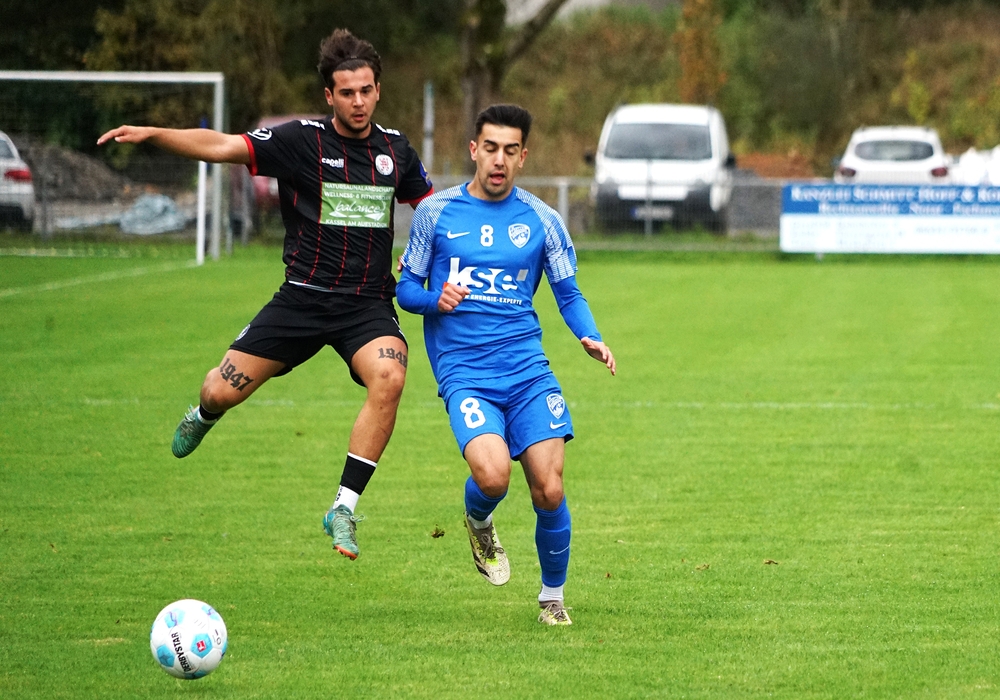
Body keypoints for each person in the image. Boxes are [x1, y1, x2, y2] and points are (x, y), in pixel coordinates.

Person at [97, 28, 433, 560]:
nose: (358, 101)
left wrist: (424, 258)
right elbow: (223, 146)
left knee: (390, 376)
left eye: (366, 90)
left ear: (378, 90)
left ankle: (343, 508)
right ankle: (203, 415)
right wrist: (154, 134)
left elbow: (433, 213)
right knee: (219, 391)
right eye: (347, 93)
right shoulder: (300, 140)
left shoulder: (396, 150)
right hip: (300, 301)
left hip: (366, 305)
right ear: (329, 95)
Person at [396, 104, 615, 625]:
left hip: (526, 369)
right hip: (465, 371)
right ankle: (479, 521)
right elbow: (404, 289)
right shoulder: (436, 213)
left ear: (523, 157)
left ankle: (552, 599)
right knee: (493, 478)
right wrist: (434, 300)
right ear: (474, 150)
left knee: (550, 487)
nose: (499, 160)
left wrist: (589, 335)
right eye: (490, 148)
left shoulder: (543, 219)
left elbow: (568, 293)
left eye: (510, 151)